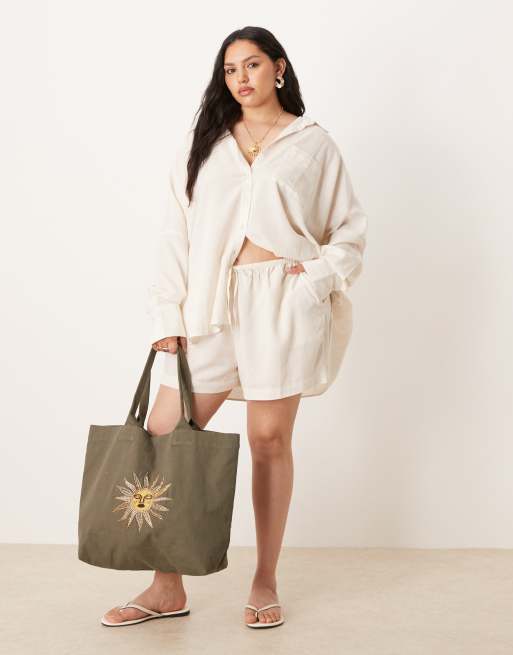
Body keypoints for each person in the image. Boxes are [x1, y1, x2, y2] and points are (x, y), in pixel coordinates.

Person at [101, 25, 367, 629]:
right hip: (209, 308)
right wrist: (167, 315)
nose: (240, 78)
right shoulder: (206, 142)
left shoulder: (313, 145)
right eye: (230, 70)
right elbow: (176, 231)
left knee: (269, 442)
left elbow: (349, 230)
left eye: (252, 65)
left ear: (279, 68)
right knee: (165, 434)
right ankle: (166, 586)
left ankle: (265, 578)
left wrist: (314, 279)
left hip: (282, 304)